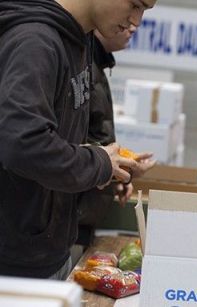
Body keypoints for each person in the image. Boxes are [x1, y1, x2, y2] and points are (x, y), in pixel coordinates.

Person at [0, 0, 155, 279]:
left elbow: (58, 139)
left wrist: (108, 166)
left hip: (47, 251)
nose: (137, 21)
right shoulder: (36, 42)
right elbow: (23, 144)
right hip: (14, 265)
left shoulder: (79, 40)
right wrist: (97, 163)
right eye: (135, 4)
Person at [76, 26, 157, 249]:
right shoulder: (83, 64)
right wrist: (110, 168)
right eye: (132, 6)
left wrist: (115, 173)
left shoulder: (95, 64)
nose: (134, 25)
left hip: (83, 207)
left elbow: (91, 140)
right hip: (70, 212)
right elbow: (67, 145)